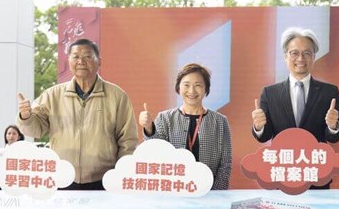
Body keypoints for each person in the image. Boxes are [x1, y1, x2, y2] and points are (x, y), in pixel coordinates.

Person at [16, 38, 138, 190]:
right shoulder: (52, 95)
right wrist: (26, 117)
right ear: (69, 61)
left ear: (99, 61)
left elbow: (128, 140)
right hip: (61, 179)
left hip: (104, 180)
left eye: (87, 56)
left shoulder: (117, 96)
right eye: (75, 56)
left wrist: (120, 174)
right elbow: (35, 130)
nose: (81, 61)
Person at [140, 63, 232, 190]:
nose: (192, 91)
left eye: (198, 85)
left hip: (208, 192)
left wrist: (215, 194)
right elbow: (156, 152)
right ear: (178, 87)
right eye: (186, 85)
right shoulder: (165, 118)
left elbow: (225, 164)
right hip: (173, 191)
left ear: (206, 89)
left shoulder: (220, 121)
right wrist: (149, 128)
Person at [251, 27, 339, 144]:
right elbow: (264, 136)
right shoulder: (270, 93)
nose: (300, 59)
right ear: (285, 57)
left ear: (314, 57)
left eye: (307, 53)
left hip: (315, 159)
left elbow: (334, 138)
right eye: (294, 53)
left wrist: (333, 126)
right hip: (282, 159)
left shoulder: (329, 92)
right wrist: (259, 127)